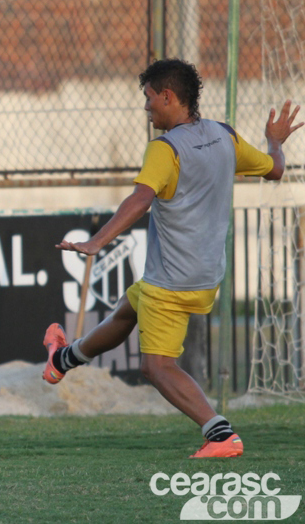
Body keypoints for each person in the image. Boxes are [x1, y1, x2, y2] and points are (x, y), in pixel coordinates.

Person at [43, 58, 302, 458]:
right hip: (206, 277)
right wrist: (275, 143)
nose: (146, 108)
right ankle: (63, 359)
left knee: (156, 367)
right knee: (129, 306)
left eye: (149, 99)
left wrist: (96, 242)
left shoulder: (164, 150)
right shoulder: (224, 136)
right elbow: (274, 170)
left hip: (172, 282)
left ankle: (220, 434)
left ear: (168, 96)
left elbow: (141, 198)